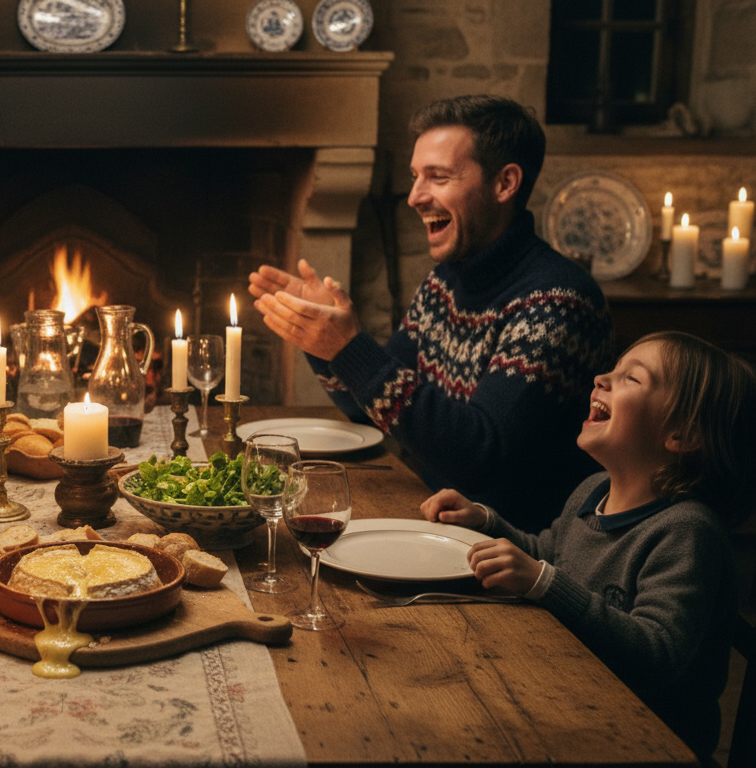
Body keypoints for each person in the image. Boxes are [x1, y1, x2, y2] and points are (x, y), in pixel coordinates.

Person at [249, 94, 613, 530]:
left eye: (437, 177)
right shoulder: (446, 282)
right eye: (415, 176)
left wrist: (349, 348)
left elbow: (478, 457)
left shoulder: (557, 300)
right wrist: (320, 336)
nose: (415, 196)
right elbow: (370, 410)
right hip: (433, 520)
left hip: (509, 553)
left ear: (505, 184)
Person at [421, 331, 756, 761]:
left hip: (643, 744)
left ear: (683, 434)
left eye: (631, 379)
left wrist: (543, 582)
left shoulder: (687, 532)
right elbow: (547, 553)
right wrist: (486, 521)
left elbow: (657, 654)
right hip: (567, 705)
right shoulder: (592, 490)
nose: (601, 378)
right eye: (611, 370)